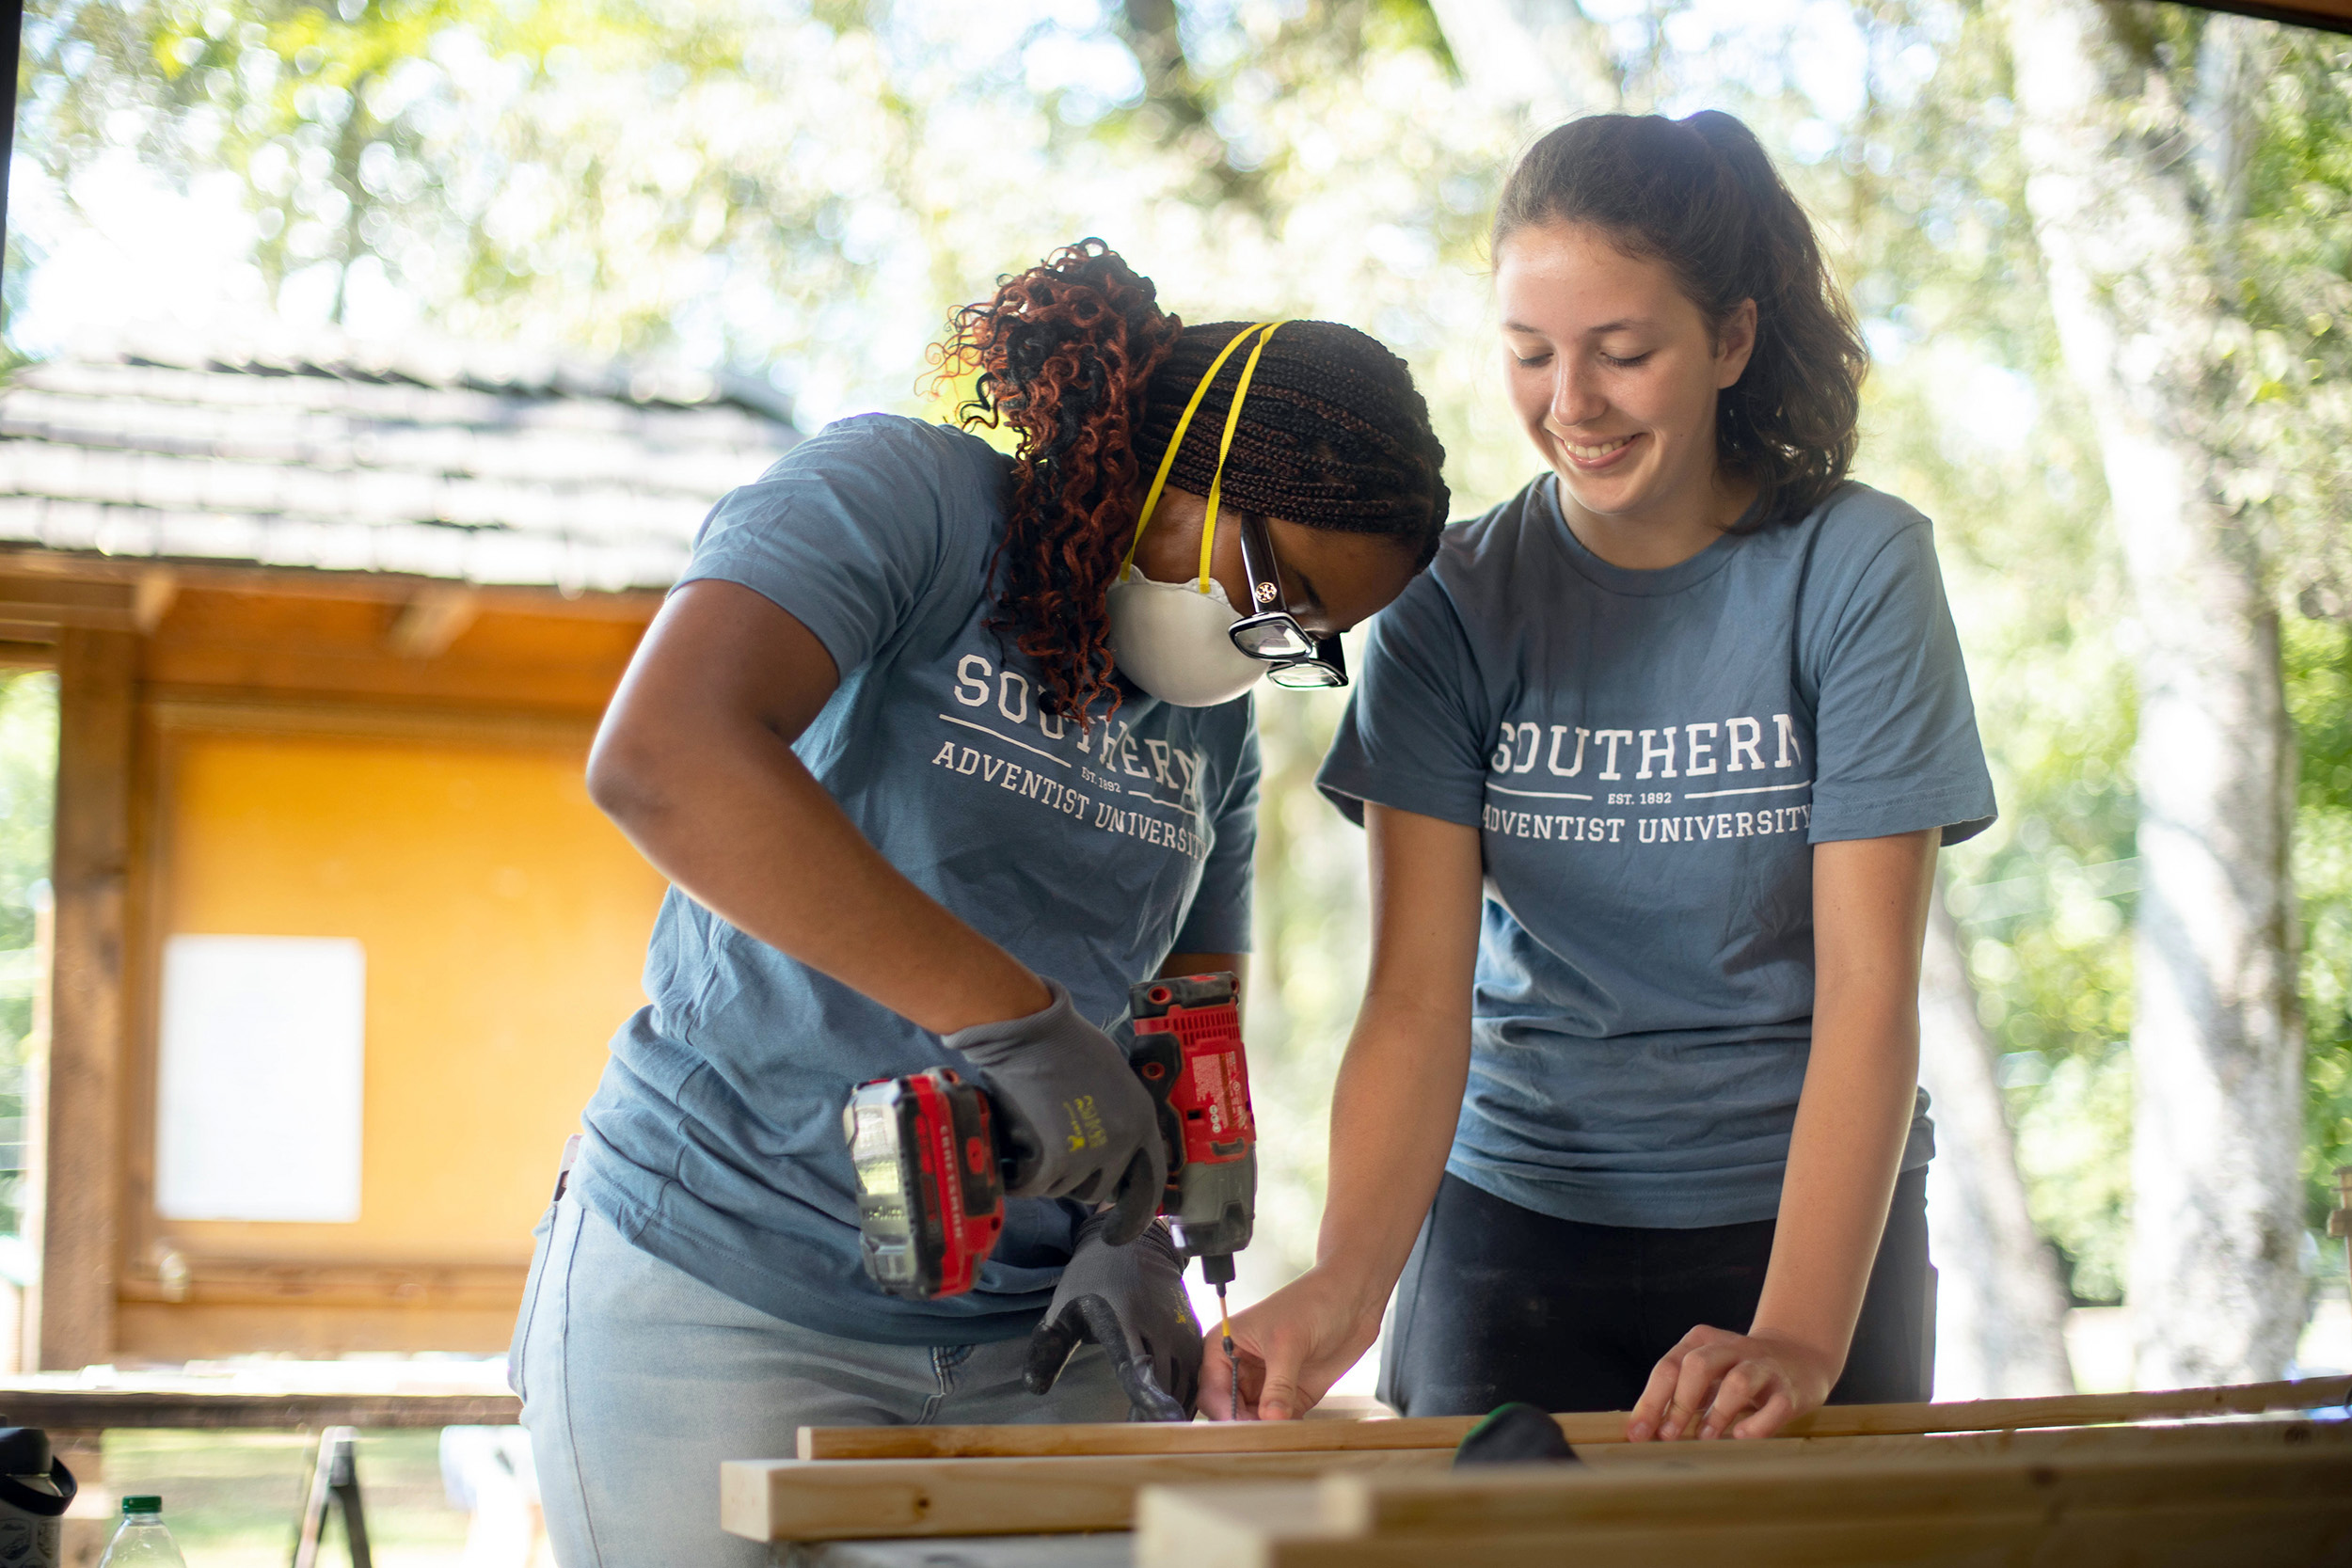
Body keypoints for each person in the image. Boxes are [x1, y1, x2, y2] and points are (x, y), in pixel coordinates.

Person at [507, 239, 1451, 1564]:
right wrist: (1019, 1026)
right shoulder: (908, 502)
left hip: (1037, 1340)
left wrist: (1151, 1234)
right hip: (718, 1293)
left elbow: (1189, 1017)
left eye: (1301, 641)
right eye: (1268, 592)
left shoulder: (1207, 731)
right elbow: (665, 757)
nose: (1260, 649)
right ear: (1183, 461)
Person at [1206, 112, 1995, 1441]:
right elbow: (1414, 1000)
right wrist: (1344, 1285)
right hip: (1511, 1221)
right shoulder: (1452, 600)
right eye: (1531, 353)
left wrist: (1799, 1337)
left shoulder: (1857, 570)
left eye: (1623, 354)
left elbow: (1870, 996)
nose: (1570, 404)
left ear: (1731, 341)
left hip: (1800, 1224)